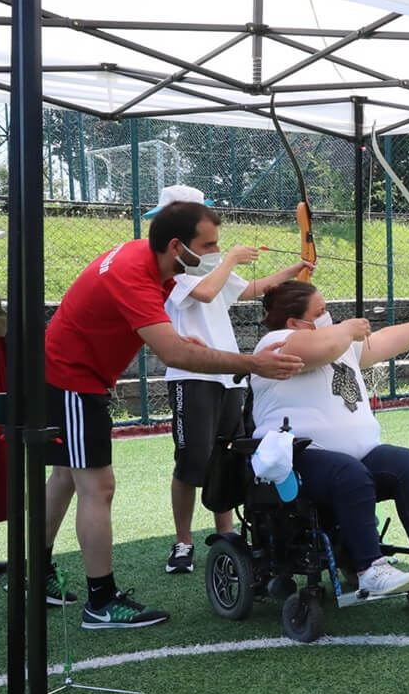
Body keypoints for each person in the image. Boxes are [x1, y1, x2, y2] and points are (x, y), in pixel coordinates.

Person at [44, 202, 304, 629]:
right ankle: (101, 601)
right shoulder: (133, 274)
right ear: (178, 246)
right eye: (209, 245)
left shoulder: (150, 262)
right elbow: (172, 352)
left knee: (66, 479)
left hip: (77, 373)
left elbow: (175, 338)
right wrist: (250, 363)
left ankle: (36, 572)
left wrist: (210, 351)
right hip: (71, 375)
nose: (217, 251)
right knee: (98, 487)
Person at [249, 281, 409, 597]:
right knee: (349, 474)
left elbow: (380, 343)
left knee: (406, 464)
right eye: (320, 312)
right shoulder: (276, 343)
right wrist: (348, 328)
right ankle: (370, 569)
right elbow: (320, 349)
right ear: (294, 323)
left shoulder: (338, 342)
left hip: (357, 457)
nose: (328, 316)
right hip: (300, 458)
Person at [157, 184, 313, 576]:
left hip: (228, 378)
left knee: (224, 457)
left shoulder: (211, 266)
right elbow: (209, 294)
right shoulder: (176, 273)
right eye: (207, 242)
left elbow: (251, 289)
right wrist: (228, 259)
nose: (213, 249)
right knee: (190, 462)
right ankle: (183, 542)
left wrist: (295, 269)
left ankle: (225, 535)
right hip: (191, 377)